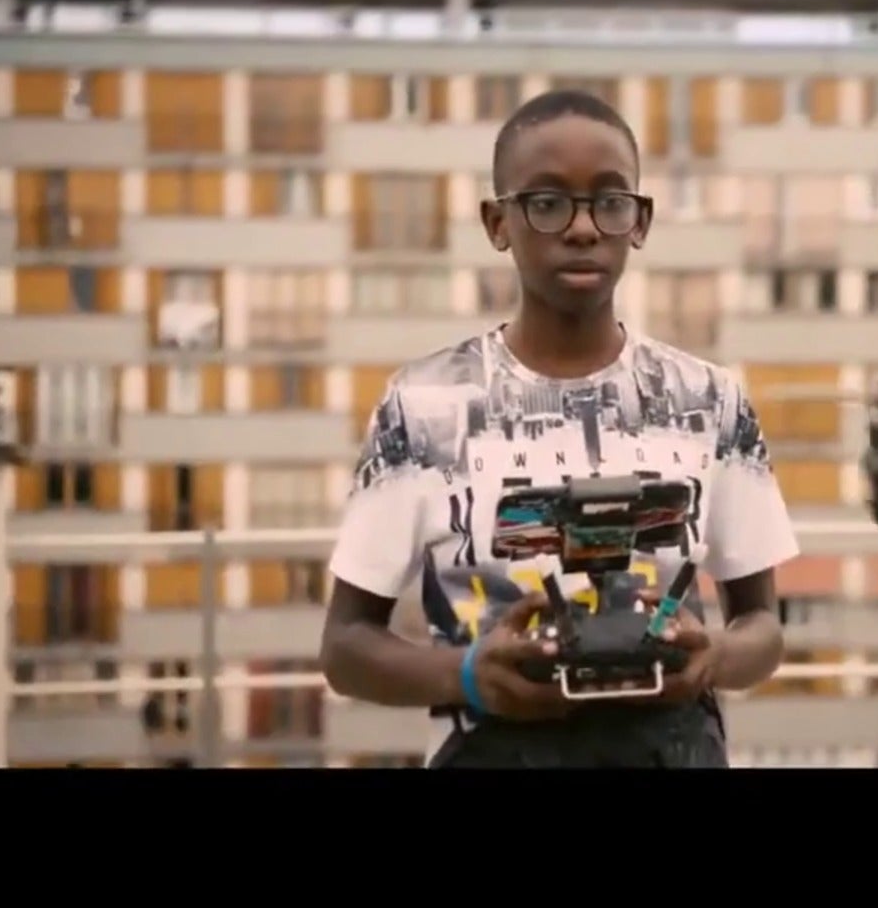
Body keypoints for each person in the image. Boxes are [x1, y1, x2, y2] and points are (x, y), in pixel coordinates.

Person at [319, 89, 800, 768]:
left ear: (640, 221)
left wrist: (712, 657)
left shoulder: (709, 399)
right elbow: (344, 648)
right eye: (547, 203)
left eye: (609, 201)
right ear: (497, 222)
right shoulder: (423, 406)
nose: (582, 228)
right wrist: (469, 676)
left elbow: (764, 629)